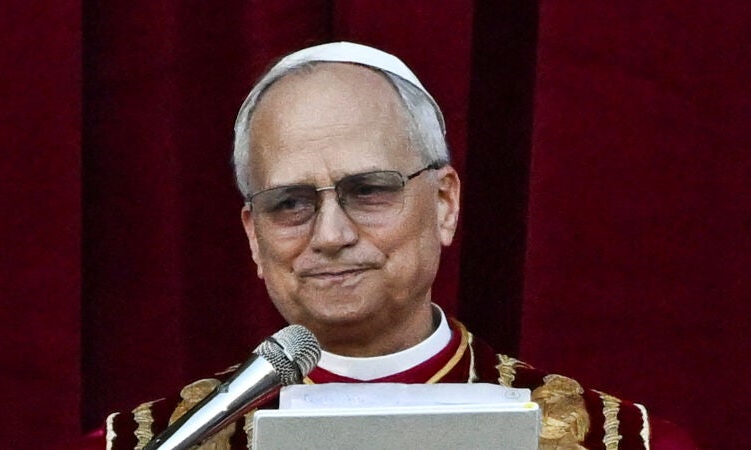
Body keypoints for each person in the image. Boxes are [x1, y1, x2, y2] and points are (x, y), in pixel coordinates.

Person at [103, 42, 694, 449]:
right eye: (289, 202)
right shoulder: (146, 442)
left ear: (445, 203)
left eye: (368, 190)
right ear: (253, 236)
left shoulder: (617, 441)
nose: (331, 235)